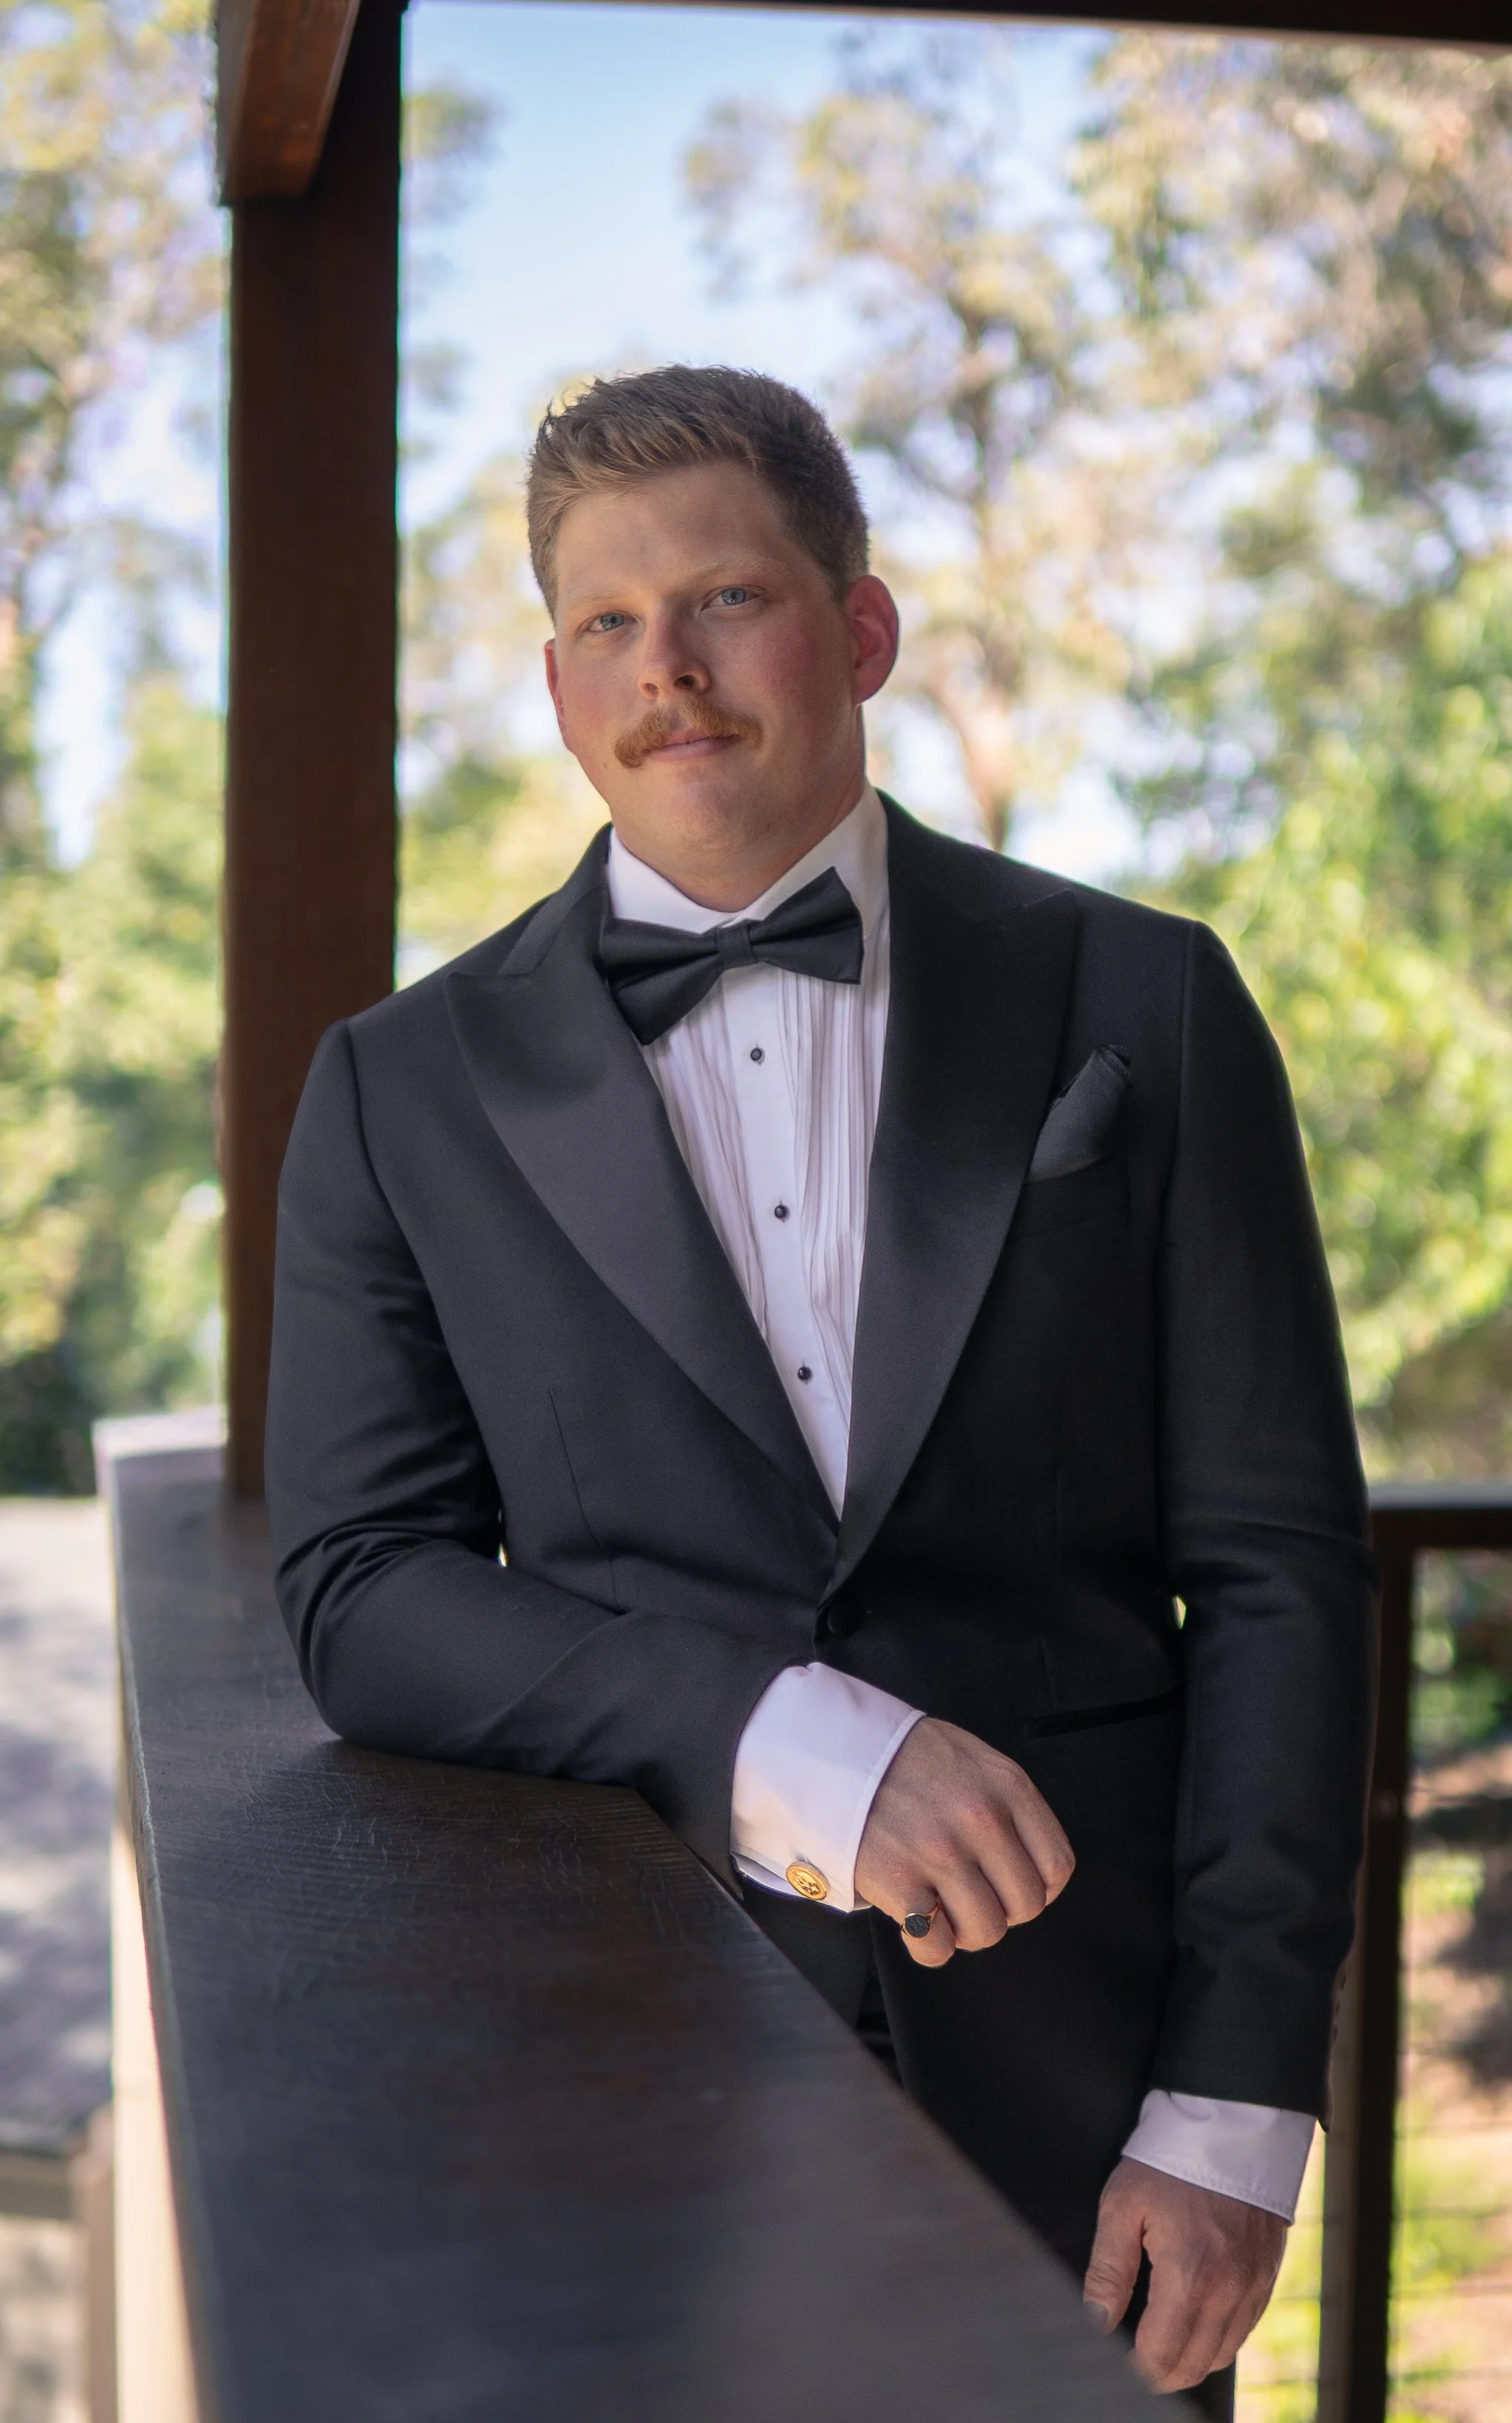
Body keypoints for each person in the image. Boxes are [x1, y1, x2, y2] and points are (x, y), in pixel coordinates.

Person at [265, 366, 1376, 2412]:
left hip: (1092, 2097)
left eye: (726, 599)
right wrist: (766, 1727)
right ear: (555, 684)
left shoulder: (1143, 998)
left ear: (859, 630)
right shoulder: (397, 1089)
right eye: (607, 623)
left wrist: (1232, 2103)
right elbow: (359, 1586)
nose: (665, 672)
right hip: (624, 2073)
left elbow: (1279, 1572)